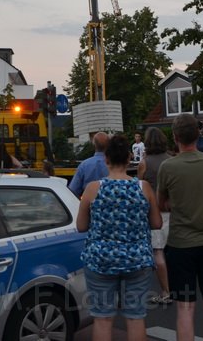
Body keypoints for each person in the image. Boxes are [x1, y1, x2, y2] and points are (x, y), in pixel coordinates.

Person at [76, 133, 162, 341]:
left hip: (101, 261)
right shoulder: (143, 188)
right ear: (127, 159)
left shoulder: (93, 189)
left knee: (103, 318)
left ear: (106, 159)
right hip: (137, 260)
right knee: (135, 317)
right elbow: (157, 223)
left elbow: (81, 226)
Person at [157, 113, 203, 341]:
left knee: (185, 309)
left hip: (181, 244)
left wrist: (176, 202)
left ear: (175, 137)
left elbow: (161, 204)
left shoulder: (168, 167)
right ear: (198, 135)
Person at [137, 127, 173, 305]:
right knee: (173, 251)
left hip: (154, 212)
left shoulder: (145, 163)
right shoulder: (172, 160)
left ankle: (166, 291)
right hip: (174, 211)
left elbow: (140, 187)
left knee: (157, 252)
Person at [68, 131, 110, 197]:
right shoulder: (115, 164)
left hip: (88, 204)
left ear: (94, 144)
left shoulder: (84, 165)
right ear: (109, 144)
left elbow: (73, 191)